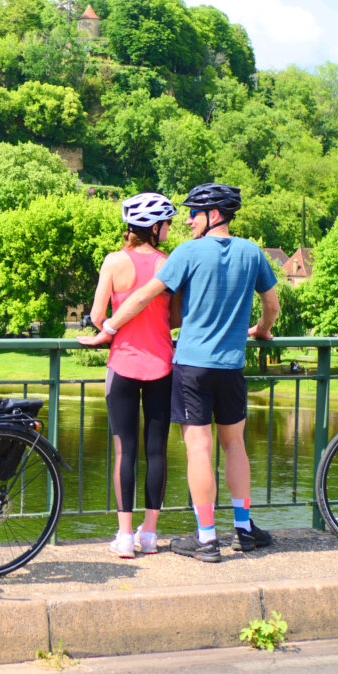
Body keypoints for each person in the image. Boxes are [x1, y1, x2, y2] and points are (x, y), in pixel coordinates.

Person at [80, 183, 279, 563]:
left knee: (199, 449)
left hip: (190, 366)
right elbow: (272, 304)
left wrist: (106, 331)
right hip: (232, 366)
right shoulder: (253, 253)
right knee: (234, 446)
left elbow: (142, 297)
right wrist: (262, 331)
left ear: (214, 214)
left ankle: (206, 540)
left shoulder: (187, 252)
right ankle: (244, 529)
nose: (187, 219)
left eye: (194, 212)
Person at [79, 193, 180, 558]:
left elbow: (96, 315)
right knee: (157, 452)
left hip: (121, 366)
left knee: (125, 450)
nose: (169, 228)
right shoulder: (169, 264)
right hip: (161, 367)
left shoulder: (113, 261)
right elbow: (176, 321)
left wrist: (111, 323)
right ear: (154, 228)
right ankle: (149, 535)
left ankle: (124, 537)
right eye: (167, 223)